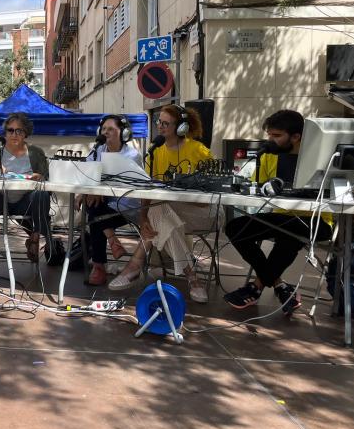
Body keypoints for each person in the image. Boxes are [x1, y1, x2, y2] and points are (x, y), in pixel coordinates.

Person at [223, 110, 332, 315]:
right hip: (281, 217)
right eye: (269, 135)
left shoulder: (321, 157)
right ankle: (280, 286)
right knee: (235, 227)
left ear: (296, 137)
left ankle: (255, 288)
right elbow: (256, 188)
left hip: (316, 221)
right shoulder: (269, 156)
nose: (270, 140)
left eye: (276, 136)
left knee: (288, 236)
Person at [109, 105, 219, 303]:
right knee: (160, 213)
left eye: (165, 123)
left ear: (181, 127)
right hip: (169, 215)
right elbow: (147, 190)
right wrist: (143, 218)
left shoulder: (198, 150)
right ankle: (193, 279)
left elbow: (211, 192)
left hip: (203, 213)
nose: (159, 126)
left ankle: (135, 264)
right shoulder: (156, 152)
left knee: (160, 211)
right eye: (158, 121)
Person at [0, 112, 51, 263]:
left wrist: (40, 177)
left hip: (24, 201)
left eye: (19, 131)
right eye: (10, 130)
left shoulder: (36, 152)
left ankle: (34, 238)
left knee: (42, 195)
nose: (14, 134)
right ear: (5, 132)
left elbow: (47, 181)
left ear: (26, 133)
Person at [78, 115, 143, 285]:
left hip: (126, 207)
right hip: (103, 206)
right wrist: (84, 192)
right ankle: (112, 241)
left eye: (111, 129)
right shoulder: (97, 151)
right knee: (94, 205)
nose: (106, 133)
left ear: (124, 133)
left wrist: (97, 189)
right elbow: (86, 175)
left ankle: (99, 266)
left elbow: (125, 185)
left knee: (94, 209)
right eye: (103, 129)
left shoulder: (132, 155)